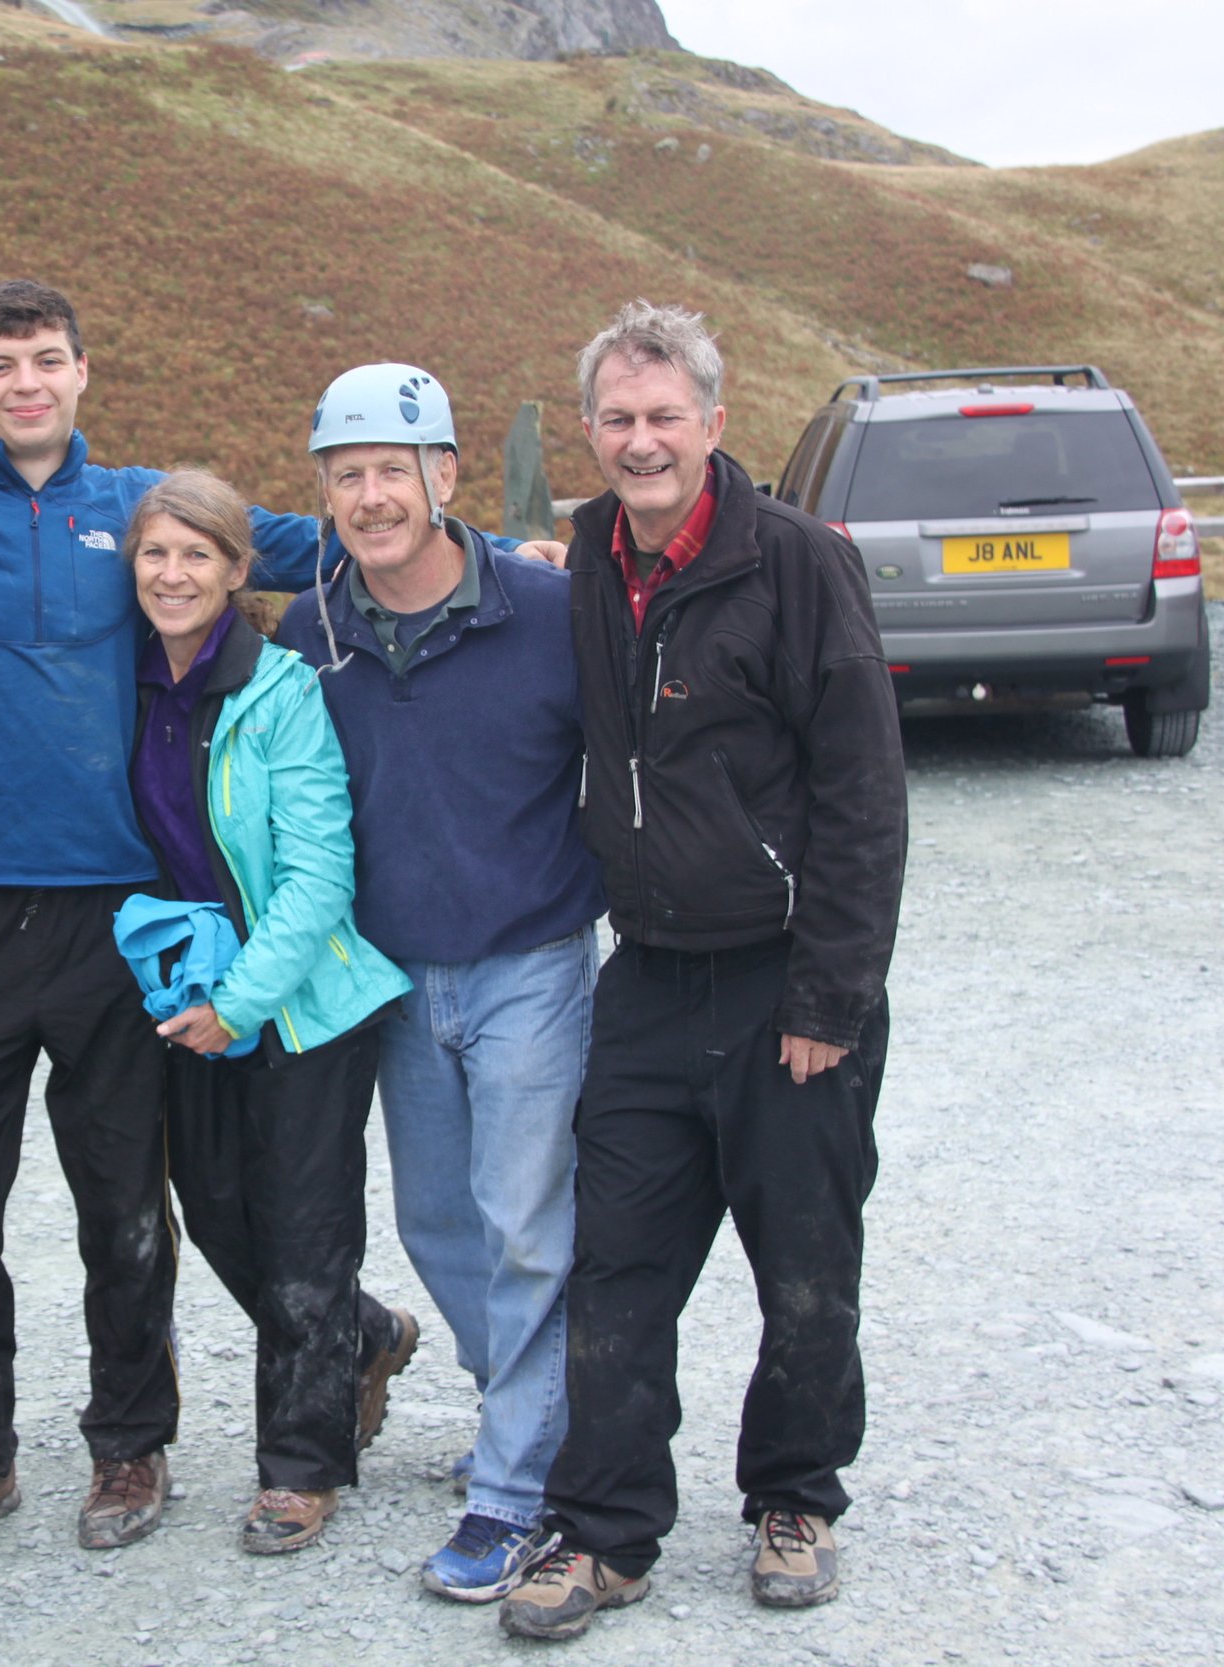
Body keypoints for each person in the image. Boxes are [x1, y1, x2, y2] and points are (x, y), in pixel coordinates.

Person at [0, 282, 478, 1559]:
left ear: (82, 373)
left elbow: (299, 538)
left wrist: (505, 549)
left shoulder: (134, 508)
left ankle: (130, 1448)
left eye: (47, 360)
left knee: (123, 1203)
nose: (25, 382)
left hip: (117, 922)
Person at [498, 301, 907, 1641]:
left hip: (787, 983)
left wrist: (829, 1000)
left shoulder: (796, 562)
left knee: (804, 1263)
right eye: (617, 417)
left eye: (665, 414)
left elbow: (863, 793)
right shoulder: (587, 562)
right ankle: (605, 1528)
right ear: (593, 430)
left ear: (714, 423)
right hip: (650, 977)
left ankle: (796, 1493)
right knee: (617, 1268)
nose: (640, 439)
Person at [273, 364, 606, 1603]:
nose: (370, 496)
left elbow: (636, 750)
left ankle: (516, 1488)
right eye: (346, 474)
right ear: (323, 488)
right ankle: (535, 1417)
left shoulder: (543, 610)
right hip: (394, 976)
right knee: (439, 1224)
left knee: (526, 1226)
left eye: (392, 471)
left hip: (529, 963)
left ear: (445, 477)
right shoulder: (311, 627)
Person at [114, 470, 415, 1555]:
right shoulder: (126, 682)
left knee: (301, 1235)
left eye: (198, 554)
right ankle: (365, 1332)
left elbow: (317, 876)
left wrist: (239, 1002)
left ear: (240, 571)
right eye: (154, 553)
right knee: (219, 1215)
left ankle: (299, 1466)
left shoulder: (279, 690)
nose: (173, 574)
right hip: (189, 996)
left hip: (301, 1005)